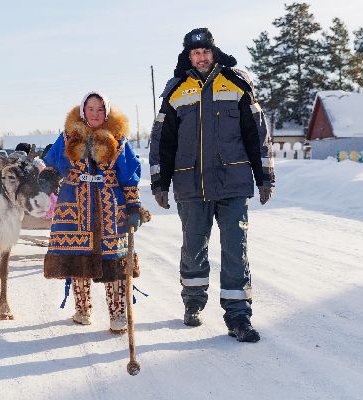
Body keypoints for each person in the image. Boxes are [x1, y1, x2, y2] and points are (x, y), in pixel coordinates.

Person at [149, 28, 275, 342]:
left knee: (235, 250)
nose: (202, 57)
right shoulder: (176, 90)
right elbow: (162, 142)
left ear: (213, 52)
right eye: (196, 53)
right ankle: (193, 301)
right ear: (189, 56)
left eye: (205, 51)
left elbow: (256, 134)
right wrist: (160, 183)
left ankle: (238, 317)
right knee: (194, 248)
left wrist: (265, 177)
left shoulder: (236, 84)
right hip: (190, 185)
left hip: (232, 184)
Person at [43, 92, 142, 334]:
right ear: (83, 111)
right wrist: (48, 177)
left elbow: (129, 175)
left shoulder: (118, 139)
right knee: (77, 257)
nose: (95, 113)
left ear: (106, 112)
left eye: (100, 109)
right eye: (90, 109)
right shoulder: (68, 137)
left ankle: (117, 314)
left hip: (110, 205)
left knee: (114, 261)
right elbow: (52, 164)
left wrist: (133, 206)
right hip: (75, 203)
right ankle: (83, 310)